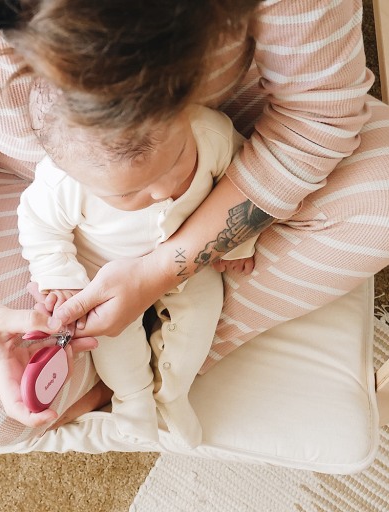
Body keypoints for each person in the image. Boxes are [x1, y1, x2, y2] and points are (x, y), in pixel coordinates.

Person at [0, 0, 389, 448]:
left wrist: (163, 268)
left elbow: (320, 115)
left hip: (217, 133)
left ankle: (167, 351)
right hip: (11, 171)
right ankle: (129, 357)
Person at [18, 83, 256, 446]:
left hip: (186, 262)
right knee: (110, 341)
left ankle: (173, 392)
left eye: (176, 161)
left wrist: (238, 244)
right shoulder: (63, 183)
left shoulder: (211, 134)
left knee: (203, 312)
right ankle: (132, 399)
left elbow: (244, 184)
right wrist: (59, 278)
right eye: (129, 193)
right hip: (102, 277)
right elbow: (38, 224)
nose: (162, 193)